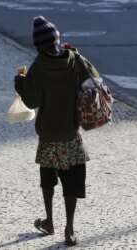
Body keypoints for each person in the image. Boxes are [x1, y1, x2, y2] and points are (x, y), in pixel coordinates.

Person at [14, 16, 99, 246]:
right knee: (72, 182)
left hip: (49, 135)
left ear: (39, 46)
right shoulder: (73, 59)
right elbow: (94, 79)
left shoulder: (39, 66)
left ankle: (49, 221)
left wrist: (19, 81)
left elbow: (31, 101)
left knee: (48, 180)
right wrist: (78, 54)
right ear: (57, 40)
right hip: (71, 133)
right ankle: (69, 229)